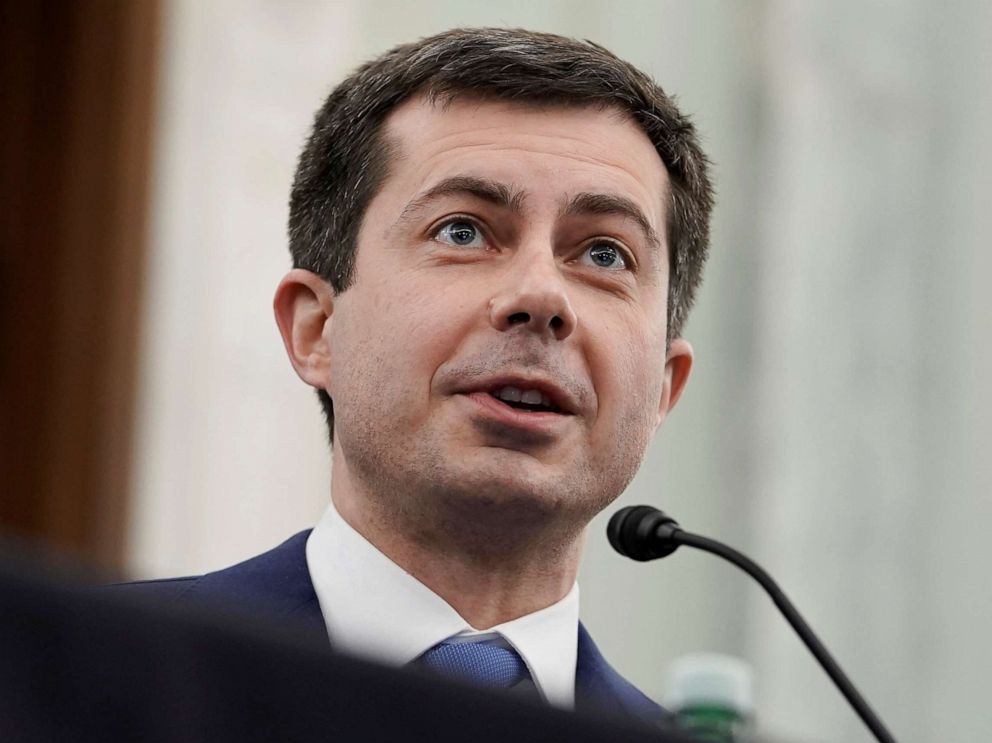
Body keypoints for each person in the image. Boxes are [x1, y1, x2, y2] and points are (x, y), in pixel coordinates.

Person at [118, 27, 713, 725]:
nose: (542, 298)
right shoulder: (89, 676)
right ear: (316, 328)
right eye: (463, 231)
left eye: (606, 255)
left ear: (664, 389)